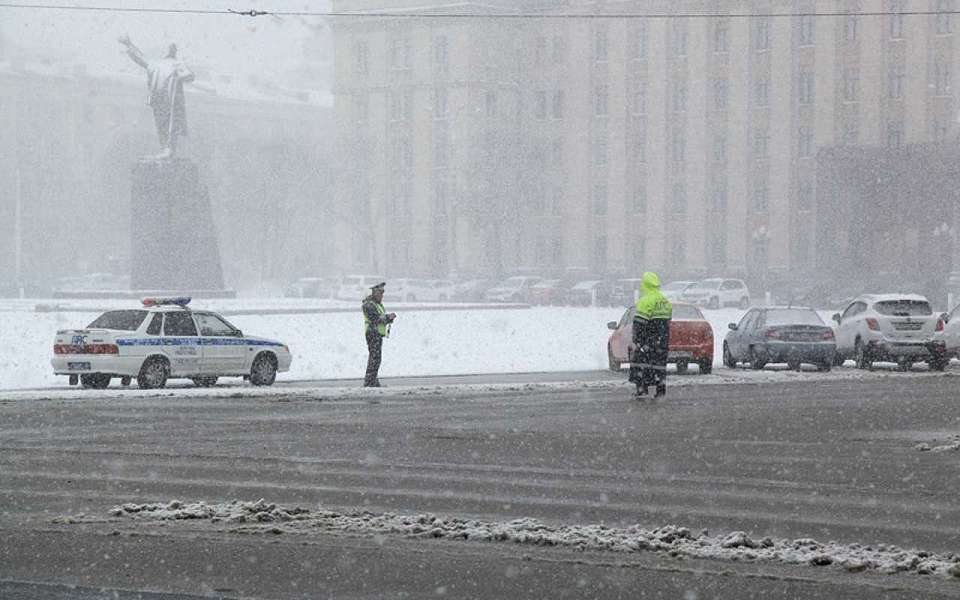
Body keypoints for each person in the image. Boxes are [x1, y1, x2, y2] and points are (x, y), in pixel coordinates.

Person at [119, 36, 195, 158]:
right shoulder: (156, 64)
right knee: (161, 123)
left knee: (171, 123)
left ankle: (169, 149)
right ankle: (165, 148)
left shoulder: (177, 63)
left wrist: (180, 77)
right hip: (159, 98)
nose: (169, 50)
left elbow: (190, 75)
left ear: (172, 50)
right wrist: (129, 44)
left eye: (171, 48)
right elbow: (140, 58)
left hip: (171, 99)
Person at [629, 271, 673, 399]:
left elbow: (639, 323)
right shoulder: (664, 301)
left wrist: (638, 340)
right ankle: (660, 390)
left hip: (647, 341)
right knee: (660, 366)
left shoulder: (645, 300)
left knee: (640, 365)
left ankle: (642, 389)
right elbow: (668, 321)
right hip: (662, 341)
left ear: (645, 284)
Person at [362, 282, 396, 387]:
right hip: (373, 333)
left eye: (382, 293)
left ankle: (372, 380)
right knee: (374, 358)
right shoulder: (369, 304)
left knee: (376, 358)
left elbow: (379, 318)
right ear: (373, 293)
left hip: (376, 333)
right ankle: (370, 381)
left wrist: (388, 319)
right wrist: (387, 318)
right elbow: (375, 318)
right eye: (380, 293)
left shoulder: (376, 304)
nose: (382, 295)